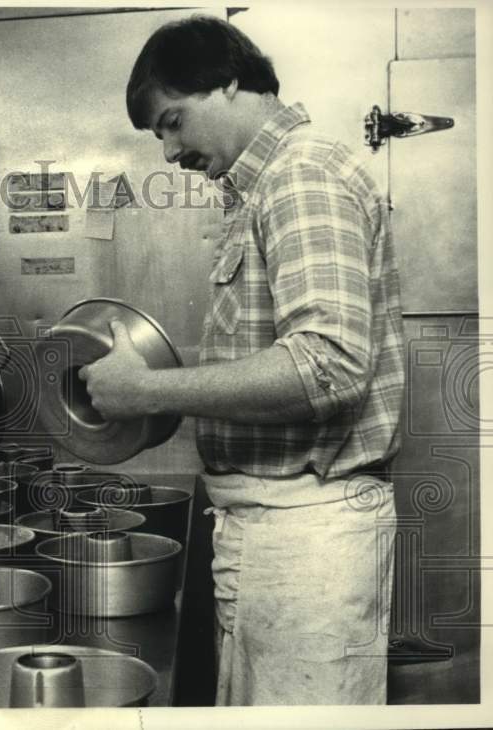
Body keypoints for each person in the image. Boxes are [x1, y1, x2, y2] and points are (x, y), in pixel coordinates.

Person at [80, 16, 404, 705]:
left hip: (305, 536)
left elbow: (328, 365)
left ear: (227, 83)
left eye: (173, 122)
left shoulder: (301, 176)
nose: (170, 151)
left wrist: (150, 391)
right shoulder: (264, 186)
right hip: (274, 532)